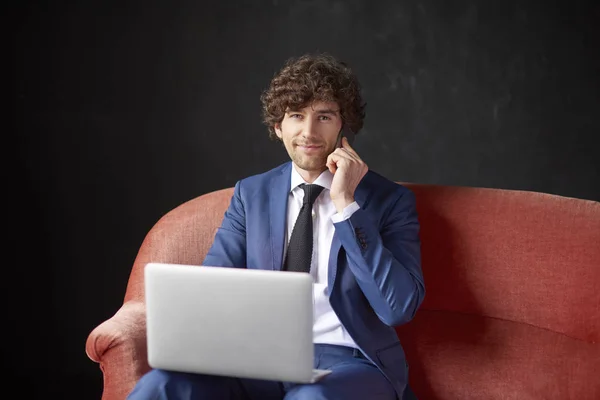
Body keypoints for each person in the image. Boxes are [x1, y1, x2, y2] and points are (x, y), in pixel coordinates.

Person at [128, 53, 425, 400]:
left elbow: (397, 307)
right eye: (296, 116)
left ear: (343, 126)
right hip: (256, 361)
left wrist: (346, 204)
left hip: (350, 364)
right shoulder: (250, 195)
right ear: (277, 126)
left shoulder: (389, 201)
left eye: (324, 116)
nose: (309, 132)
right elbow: (215, 286)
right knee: (159, 386)